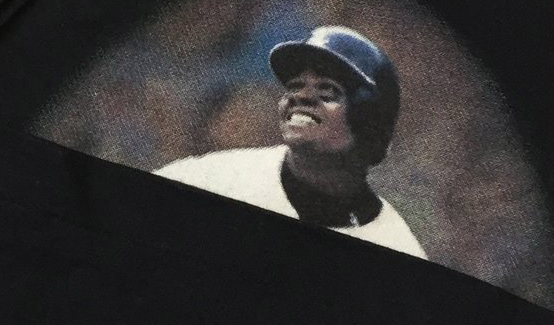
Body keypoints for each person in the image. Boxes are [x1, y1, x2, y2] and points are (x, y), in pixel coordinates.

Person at [155, 25, 426, 258]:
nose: (301, 96)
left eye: (328, 91)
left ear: (368, 121)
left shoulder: (396, 243)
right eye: (294, 86)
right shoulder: (212, 177)